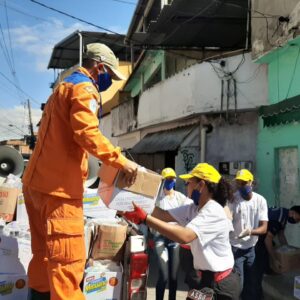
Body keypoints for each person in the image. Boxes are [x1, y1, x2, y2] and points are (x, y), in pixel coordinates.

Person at [22, 43, 138, 300]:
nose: (110, 83)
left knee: (43, 258)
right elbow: (88, 133)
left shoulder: (61, 88)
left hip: (35, 186)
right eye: (110, 75)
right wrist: (122, 161)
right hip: (59, 193)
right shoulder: (85, 89)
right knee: (67, 262)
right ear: (99, 68)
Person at [124, 163, 240, 300]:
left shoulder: (213, 210)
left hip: (221, 284)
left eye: (188, 183)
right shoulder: (193, 208)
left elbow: (185, 236)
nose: (186, 186)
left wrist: (145, 218)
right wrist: (131, 201)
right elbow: (162, 214)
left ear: (201, 185)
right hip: (204, 280)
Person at [153, 167, 193, 300]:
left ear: (175, 180)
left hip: (175, 239)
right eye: (167, 179)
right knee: (163, 276)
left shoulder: (180, 198)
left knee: (173, 277)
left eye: (172, 179)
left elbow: (189, 212)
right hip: (160, 239)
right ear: (162, 181)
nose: (169, 182)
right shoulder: (157, 198)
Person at [228, 169, 268, 300]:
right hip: (235, 247)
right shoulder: (233, 200)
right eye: (238, 183)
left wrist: (251, 231)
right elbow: (227, 221)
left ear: (252, 182)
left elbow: (264, 228)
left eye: (244, 182)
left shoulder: (260, 200)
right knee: (239, 285)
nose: (241, 186)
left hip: (252, 248)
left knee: (251, 284)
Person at [255, 205, 300, 299]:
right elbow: (267, 240)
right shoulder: (279, 219)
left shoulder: (283, 213)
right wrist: (274, 259)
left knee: (273, 246)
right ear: (293, 212)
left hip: (261, 230)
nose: (297, 222)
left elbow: (281, 235)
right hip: (255, 234)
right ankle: (257, 291)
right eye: (297, 219)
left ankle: (268, 269)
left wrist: (288, 250)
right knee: (263, 253)